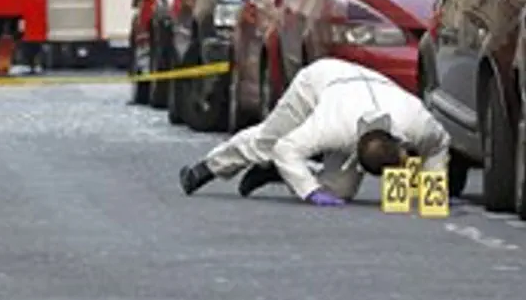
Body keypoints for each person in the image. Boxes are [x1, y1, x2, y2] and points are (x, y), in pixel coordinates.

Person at [178, 58, 450, 206]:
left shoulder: (416, 123)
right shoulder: (332, 128)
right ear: (353, 153)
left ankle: (280, 172)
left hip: (367, 85)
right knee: (266, 142)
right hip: (318, 82)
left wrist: (431, 189)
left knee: (340, 191)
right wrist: (308, 191)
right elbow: (284, 148)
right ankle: (207, 168)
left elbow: (439, 145)